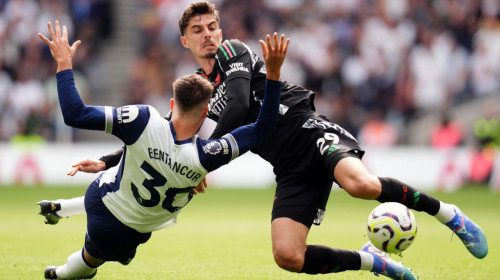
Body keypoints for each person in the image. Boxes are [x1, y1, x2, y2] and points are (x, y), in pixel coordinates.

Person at [39, 2, 488, 279]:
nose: (209, 35)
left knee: (361, 186)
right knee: (287, 257)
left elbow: (234, 105)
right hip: (286, 165)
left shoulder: (236, 52)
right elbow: (164, 136)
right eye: (199, 31)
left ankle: (449, 215)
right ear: (184, 41)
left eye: (212, 26)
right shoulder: (192, 87)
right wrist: (110, 158)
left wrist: (198, 159)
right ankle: (375, 261)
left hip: (307, 130)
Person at [38, 20, 288, 279]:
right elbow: (263, 128)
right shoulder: (204, 157)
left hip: (102, 198)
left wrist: (64, 63)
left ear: (171, 102)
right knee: (89, 261)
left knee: (126, 173)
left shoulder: (142, 120)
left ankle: (61, 207)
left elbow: (75, 114)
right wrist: (273, 74)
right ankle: (60, 272)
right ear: (205, 113)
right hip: (130, 232)